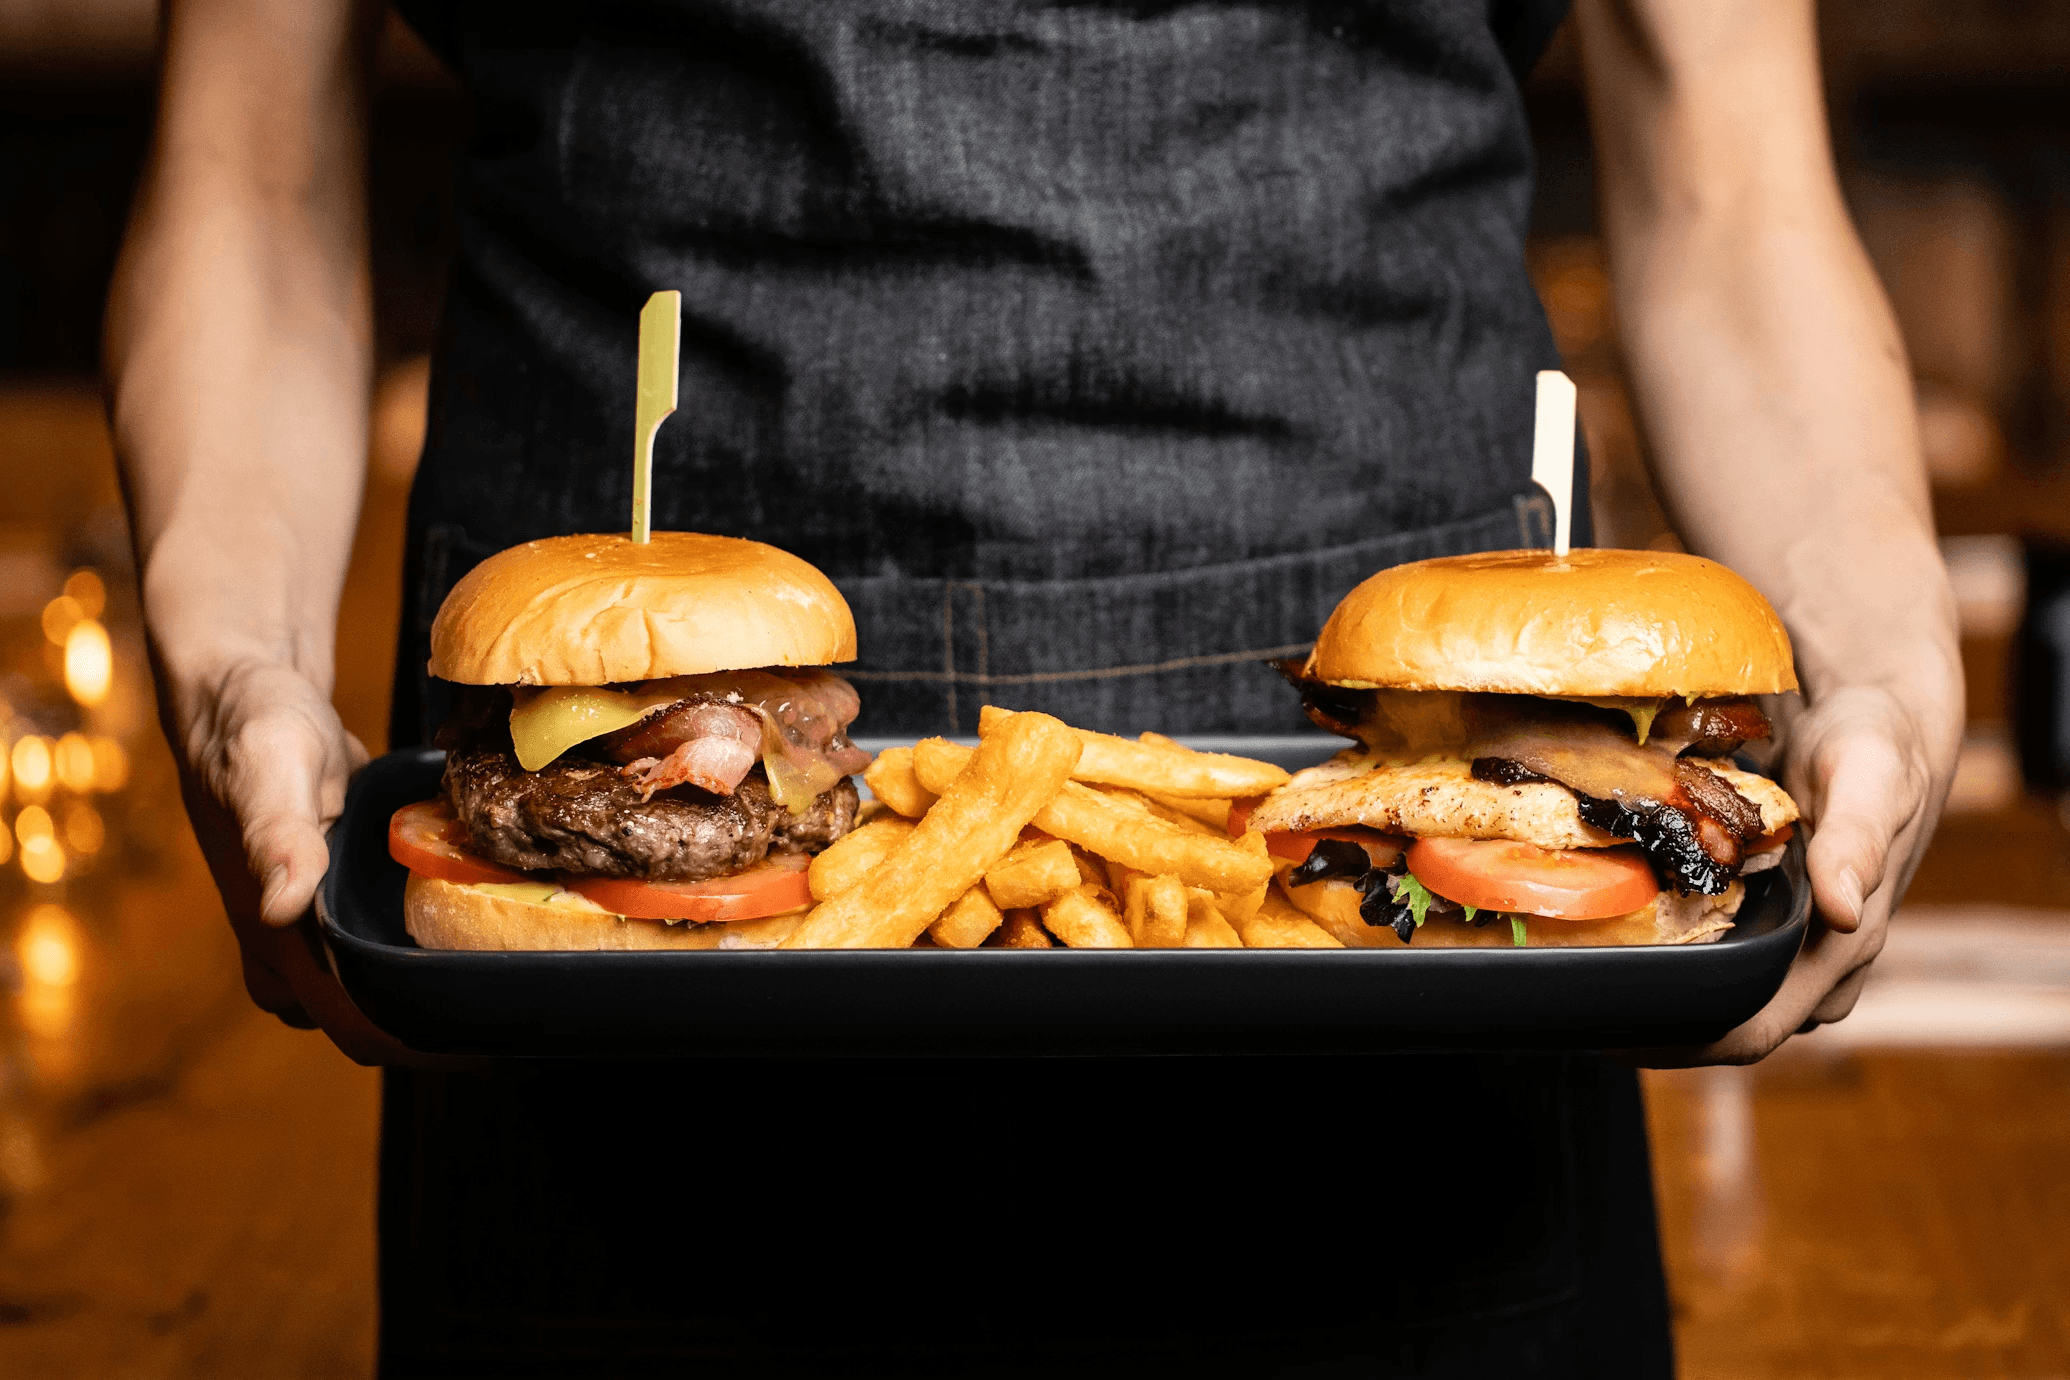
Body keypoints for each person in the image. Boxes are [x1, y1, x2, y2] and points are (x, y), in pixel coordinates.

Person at [107, 1, 1960, 1375]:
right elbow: (246, 166)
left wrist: (1876, 650)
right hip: (600, 1016)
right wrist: (231, 659)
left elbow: (1728, 183)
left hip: (1430, 1018)